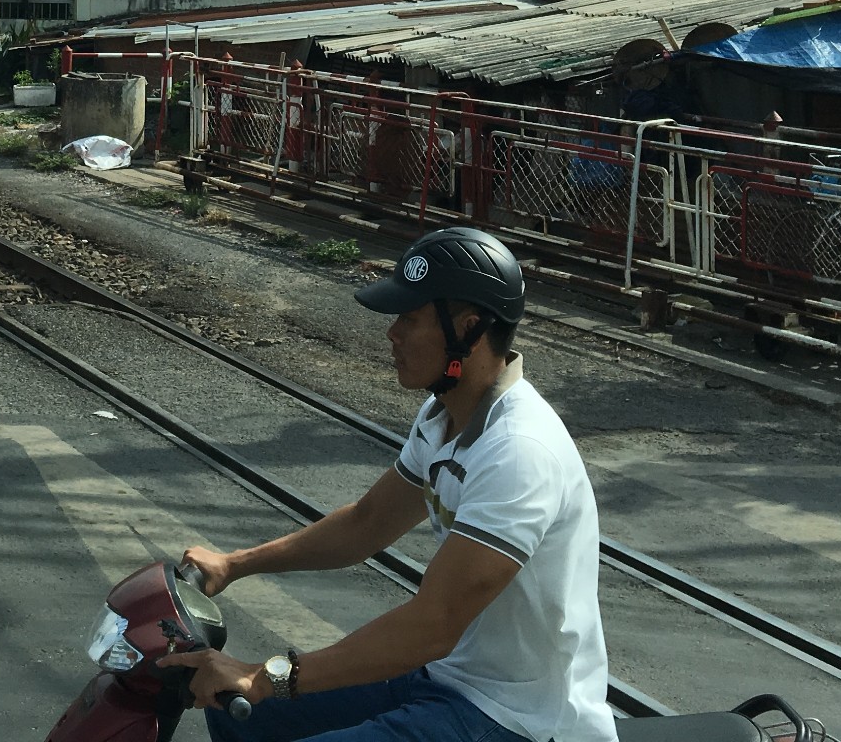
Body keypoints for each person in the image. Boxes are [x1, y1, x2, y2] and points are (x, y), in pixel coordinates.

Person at [159, 226, 614, 742]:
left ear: (469, 329)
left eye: (411, 318)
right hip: (445, 679)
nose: (392, 333)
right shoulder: (444, 416)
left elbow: (433, 625)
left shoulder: (520, 451)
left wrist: (267, 678)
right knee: (233, 710)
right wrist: (235, 565)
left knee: (251, 694)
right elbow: (367, 523)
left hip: (516, 717)